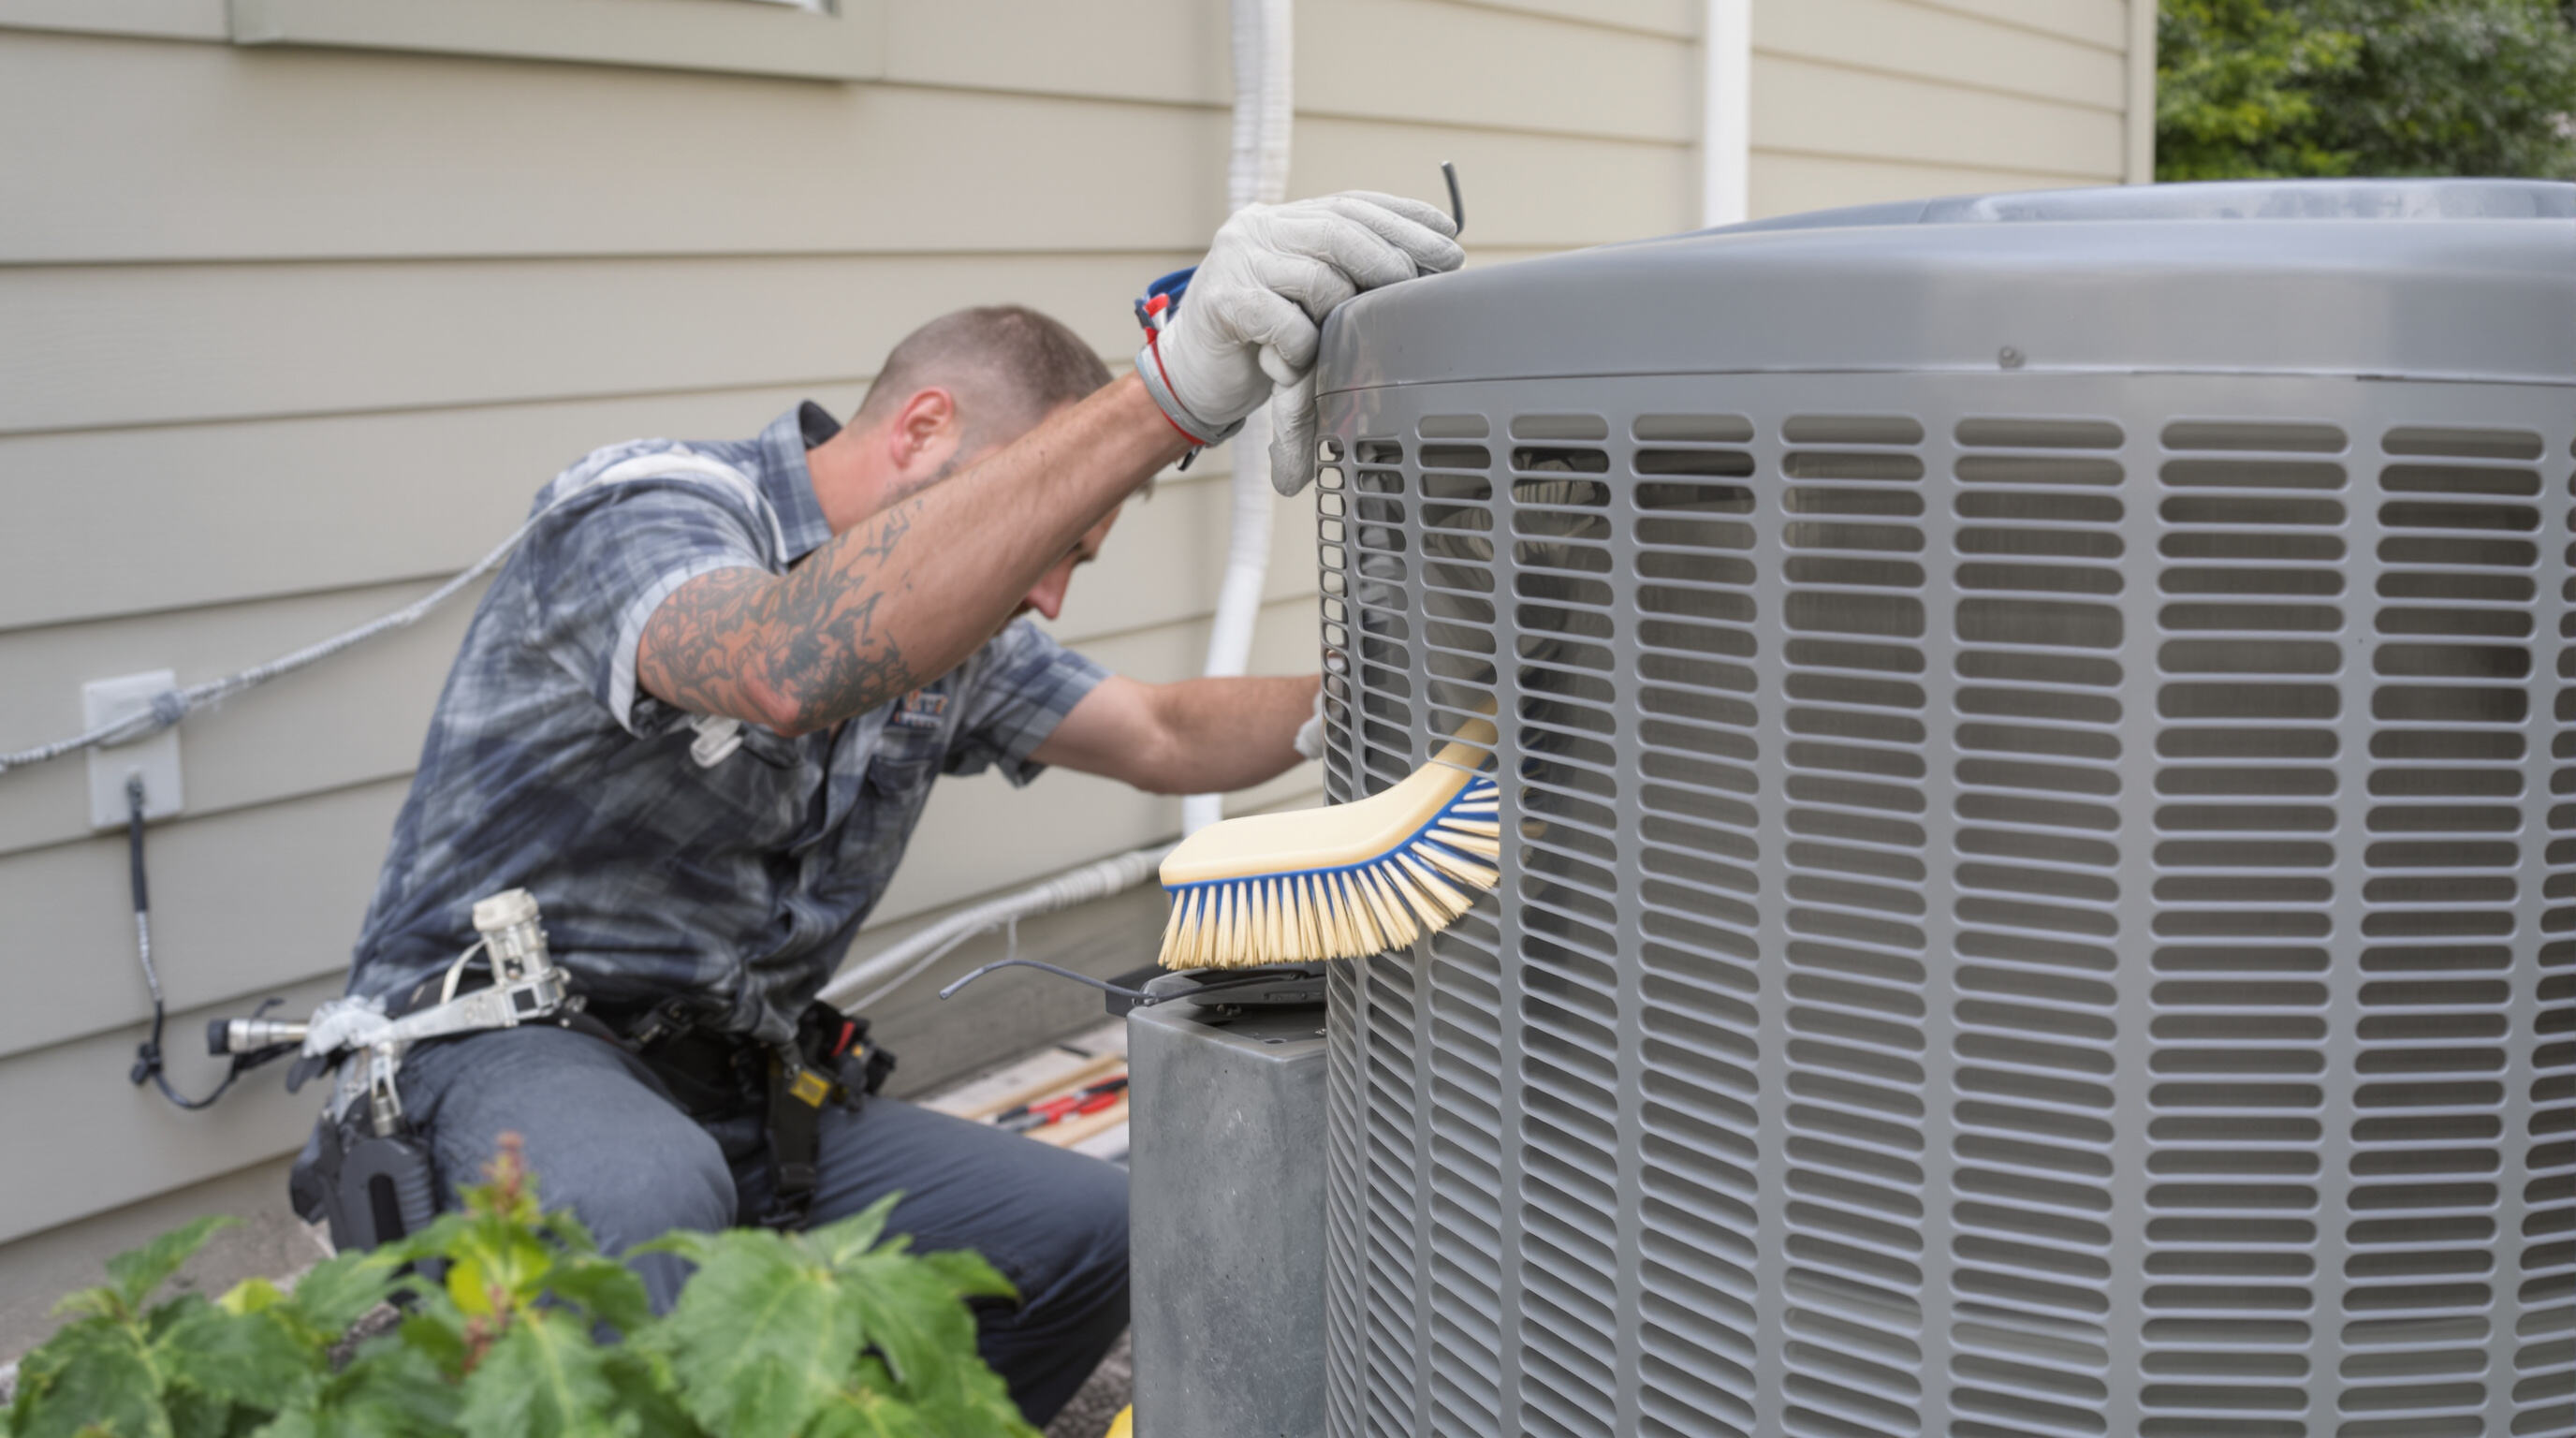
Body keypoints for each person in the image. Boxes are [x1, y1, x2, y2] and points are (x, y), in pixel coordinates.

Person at [299, 191, 1463, 1425]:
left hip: (737, 1089)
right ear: (920, 431)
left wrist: (1415, 688)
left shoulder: (961, 638)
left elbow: (1163, 731)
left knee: (1092, 1233)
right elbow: (781, 665)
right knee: (643, 1199)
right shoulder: (647, 512)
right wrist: (1161, 396)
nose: (1054, 599)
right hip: (500, 1051)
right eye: (1056, 540)